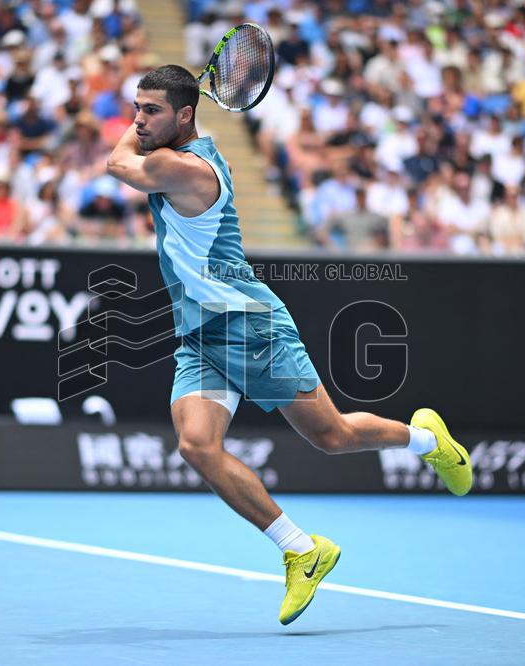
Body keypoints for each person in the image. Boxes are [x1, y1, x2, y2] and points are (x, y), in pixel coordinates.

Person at [106, 65, 473, 625]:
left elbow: (115, 162)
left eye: (150, 109)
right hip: (200, 336)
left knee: (333, 436)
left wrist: (146, 131)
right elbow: (129, 150)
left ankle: (427, 440)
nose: (138, 119)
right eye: (136, 107)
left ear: (185, 115)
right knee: (196, 445)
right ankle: (302, 549)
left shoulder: (179, 167)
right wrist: (158, 114)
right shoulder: (175, 149)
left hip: (248, 328)